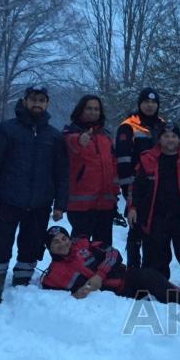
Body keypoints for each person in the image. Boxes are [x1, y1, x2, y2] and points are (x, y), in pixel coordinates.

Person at [0, 85, 69, 307]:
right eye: (33, 99)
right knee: (1, 247)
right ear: (25, 101)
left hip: (39, 204)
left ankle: (20, 295)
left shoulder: (54, 136)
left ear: (47, 103)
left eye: (42, 100)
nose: (37, 104)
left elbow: (61, 173)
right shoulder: (6, 130)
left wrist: (60, 204)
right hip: (8, 202)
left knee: (30, 249)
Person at [127, 122, 180, 305]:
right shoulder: (146, 159)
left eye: (173, 136)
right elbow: (135, 188)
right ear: (159, 138)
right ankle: (157, 294)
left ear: (179, 138)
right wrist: (132, 208)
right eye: (166, 136)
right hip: (155, 218)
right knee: (155, 258)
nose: (170, 139)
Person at [41, 226, 180, 304]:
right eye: (56, 242)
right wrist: (74, 296)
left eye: (64, 238)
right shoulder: (53, 274)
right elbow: (56, 300)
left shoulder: (84, 245)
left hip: (125, 279)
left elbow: (113, 253)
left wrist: (100, 275)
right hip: (109, 299)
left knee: (149, 275)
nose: (62, 243)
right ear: (50, 248)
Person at [115, 87, 167, 267]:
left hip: (159, 185)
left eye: (154, 102)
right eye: (146, 102)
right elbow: (122, 160)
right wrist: (127, 189)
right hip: (137, 184)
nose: (150, 105)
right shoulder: (128, 126)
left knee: (154, 229)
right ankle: (134, 271)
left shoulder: (162, 124)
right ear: (140, 104)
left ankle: (151, 270)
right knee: (136, 229)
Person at [63, 95, 119, 246]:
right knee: (80, 251)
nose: (93, 112)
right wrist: (79, 139)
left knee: (104, 250)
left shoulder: (105, 137)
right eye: (89, 108)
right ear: (80, 110)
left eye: (96, 109)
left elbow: (113, 168)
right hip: (81, 206)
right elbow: (71, 143)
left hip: (105, 205)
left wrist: (114, 194)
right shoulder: (70, 132)